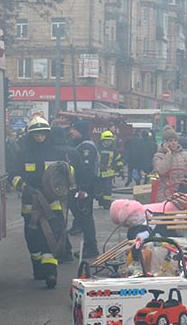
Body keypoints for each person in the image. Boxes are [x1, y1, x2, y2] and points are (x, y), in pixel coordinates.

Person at [11, 116, 76, 288]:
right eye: (36, 135)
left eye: (43, 134)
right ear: (31, 136)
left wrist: (66, 168)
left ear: (48, 134)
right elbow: (13, 176)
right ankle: (38, 268)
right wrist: (25, 187)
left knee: (52, 239)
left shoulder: (57, 153)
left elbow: (69, 174)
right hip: (30, 205)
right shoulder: (22, 154)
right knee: (33, 240)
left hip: (52, 204)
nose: (40, 137)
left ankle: (50, 273)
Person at [67, 120, 100, 259]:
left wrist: (83, 189)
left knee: (86, 219)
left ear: (80, 130)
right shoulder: (81, 145)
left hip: (84, 189)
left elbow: (87, 171)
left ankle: (91, 248)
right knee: (84, 218)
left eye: (74, 129)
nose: (71, 132)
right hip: (82, 188)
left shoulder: (86, 147)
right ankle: (89, 247)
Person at [153, 127, 187, 201]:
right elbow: (161, 171)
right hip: (166, 192)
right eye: (170, 141)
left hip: (184, 192)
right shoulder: (158, 156)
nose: (173, 143)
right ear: (165, 143)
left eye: (175, 140)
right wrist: (168, 154)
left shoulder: (185, 155)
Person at [96, 130, 123, 209]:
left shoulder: (114, 150)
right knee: (99, 188)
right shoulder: (97, 149)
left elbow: (119, 160)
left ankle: (107, 203)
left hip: (109, 173)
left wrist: (120, 169)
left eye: (110, 141)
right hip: (99, 172)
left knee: (107, 189)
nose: (109, 142)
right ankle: (101, 200)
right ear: (103, 140)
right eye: (107, 140)